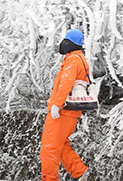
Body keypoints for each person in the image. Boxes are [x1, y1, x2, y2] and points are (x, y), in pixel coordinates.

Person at [40, 29, 90, 181]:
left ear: (70, 43)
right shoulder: (79, 58)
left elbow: (66, 83)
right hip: (71, 112)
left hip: (62, 111)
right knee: (61, 145)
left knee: (49, 148)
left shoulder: (73, 59)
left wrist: (57, 104)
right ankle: (79, 171)